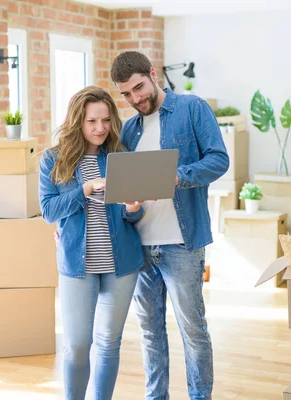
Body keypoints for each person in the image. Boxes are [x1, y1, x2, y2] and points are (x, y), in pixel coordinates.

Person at [110, 51, 230, 400]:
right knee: (149, 332)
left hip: (182, 243)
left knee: (193, 331)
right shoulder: (129, 130)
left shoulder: (192, 109)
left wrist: (176, 176)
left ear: (152, 74)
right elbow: (128, 197)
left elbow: (218, 159)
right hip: (140, 247)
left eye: (139, 88)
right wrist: (130, 208)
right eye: (127, 95)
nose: (135, 99)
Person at [38, 86, 145, 400]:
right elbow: (48, 211)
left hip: (121, 262)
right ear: (77, 122)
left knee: (109, 342)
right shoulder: (53, 160)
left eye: (106, 120)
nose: (100, 128)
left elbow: (132, 218)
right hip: (77, 264)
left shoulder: (121, 157)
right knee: (77, 344)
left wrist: (133, 209)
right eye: (91, 121)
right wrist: (85, 189)